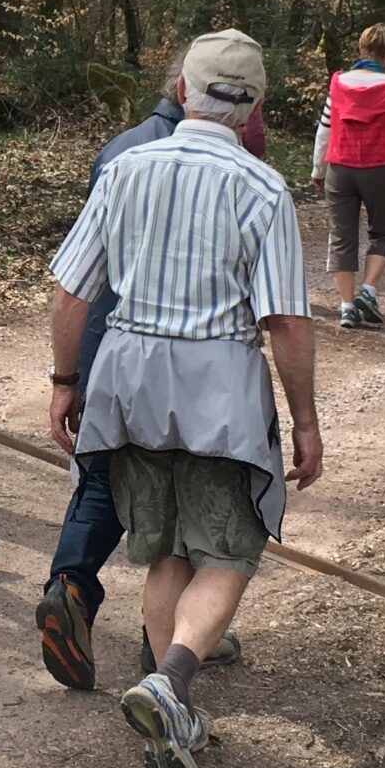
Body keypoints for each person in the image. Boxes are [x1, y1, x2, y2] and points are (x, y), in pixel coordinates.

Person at [46, 30, 322, 768]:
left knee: (166, 548)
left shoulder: (125, 170)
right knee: (228, 551)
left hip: (128, 383)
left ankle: (171, 710)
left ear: (180, 92)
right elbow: (286, 322)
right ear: (254, 107)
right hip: (216, 390)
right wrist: (304, 420)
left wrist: (65, 381)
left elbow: (72, 292)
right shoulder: (262, 189)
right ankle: (169, 683)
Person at [31, 48, 239, 693]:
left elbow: (79, 279)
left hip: (108, 347)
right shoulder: (221, 165)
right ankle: (170, 644)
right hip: (182, 356)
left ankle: (70, 585)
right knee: (182, 495)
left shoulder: (121, 149)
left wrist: (68, 376)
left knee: (102, 474)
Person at [308, 22, 385, 331]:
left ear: (361, 49)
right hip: (381, 170)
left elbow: (324, 131)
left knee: (341, 236)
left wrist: (318, 169)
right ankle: (368, 292)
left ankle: (346, 307)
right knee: (381, 233)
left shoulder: (338, 86)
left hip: (340, 169)